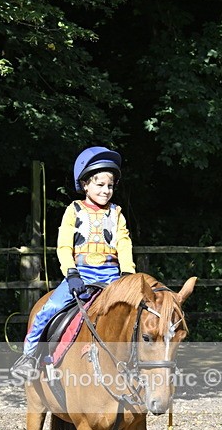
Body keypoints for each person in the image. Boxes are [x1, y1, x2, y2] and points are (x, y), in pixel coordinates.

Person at [11, 146, 135, 381]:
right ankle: (28, 357)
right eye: (100, 185)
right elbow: (65, 246)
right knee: (48, 310)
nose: (106, 191)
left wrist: (127, 273)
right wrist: (71, 272)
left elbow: (124, 242)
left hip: (111, 275)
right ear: (86, 185)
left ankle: (137, 362)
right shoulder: (74, 210)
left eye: (110, 186)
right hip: (81, 274)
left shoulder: (117, 213)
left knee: (136, 314)